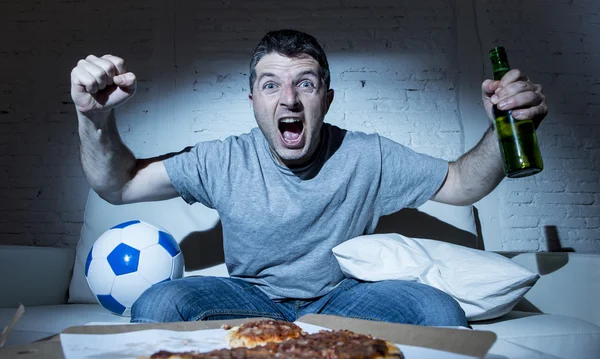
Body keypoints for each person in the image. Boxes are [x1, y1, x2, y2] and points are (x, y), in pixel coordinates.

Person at [70, 30, 547, 327]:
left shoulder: (367, 154)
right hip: (247, 296)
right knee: (158, 305)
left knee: (439, 312)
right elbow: (120, 185)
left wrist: (501, 129)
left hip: (345, 297)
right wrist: (93, 119)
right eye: (271, 84)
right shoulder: (222, 159)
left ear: (328, 98)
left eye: (306, 83)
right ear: (254, 100)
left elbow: (462, 183)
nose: (289, 100)